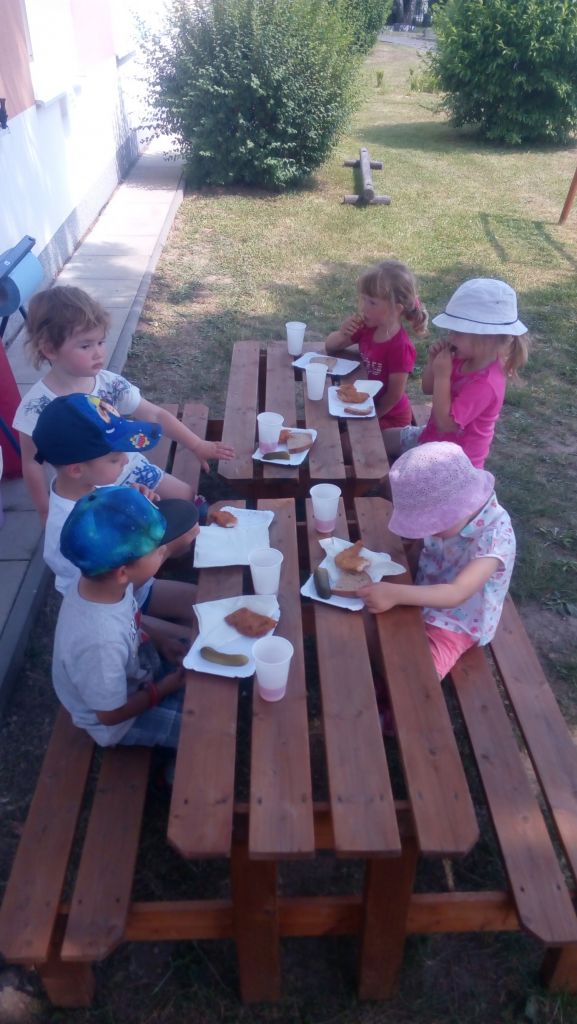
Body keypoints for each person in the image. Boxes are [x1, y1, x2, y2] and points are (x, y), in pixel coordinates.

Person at [12, 285, 235, 522]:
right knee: (132, 530)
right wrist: (45, 510)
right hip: (89, 490)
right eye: (86, 345)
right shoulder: (36, 407)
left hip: (129, 466)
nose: (98, 353)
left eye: (101, 342)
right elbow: (32, 463)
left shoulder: (109, 384)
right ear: (50, 349)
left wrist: (196, 444)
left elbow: (155, 415)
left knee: (187, 498)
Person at [32, 394, 199, 652]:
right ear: (76, 469)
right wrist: (167, 550)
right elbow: (110, 589)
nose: (126, 460)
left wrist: (137, 503)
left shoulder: (91, 486)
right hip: (116, 609)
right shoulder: (68, 529)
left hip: (137, 590)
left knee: (204, 604)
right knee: (196, 640)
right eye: (114, 458)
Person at [52, 486, 199, 750]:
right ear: (122, 572)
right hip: (122, 721)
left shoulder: (101, 585)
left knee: (204, 672)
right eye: (158, 550)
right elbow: (109, 715)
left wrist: (162, 641)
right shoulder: (100, 641)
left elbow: (131, 617)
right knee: (202, 728)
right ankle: (174, 769)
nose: (163, 551)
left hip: (135, 671)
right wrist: (162, 690)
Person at [359, 442, 516, 680]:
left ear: (459, 507)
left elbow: (457, 593)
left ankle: (395, 697)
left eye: (433, 524)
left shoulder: (495, 537)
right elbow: (422, 550)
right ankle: (381, 678)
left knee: (420, 675)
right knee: (374, 633)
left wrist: (396, 594)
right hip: (423, 591)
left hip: (457, 621)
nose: (428, 531)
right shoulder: (456, 519)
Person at [384, 278, 528, 469]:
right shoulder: (464, 356)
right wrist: (433, 362)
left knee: (393, 479)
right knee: (379, 440)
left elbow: (446, 424)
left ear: (487, 338)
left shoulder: (486, 384)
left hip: (453, 463)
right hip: (431, 438)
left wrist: (443, 376)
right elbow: (428, 389)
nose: (450, 336)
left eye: (457, 332)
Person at [324, 259, 428, 430]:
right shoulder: (366, 327)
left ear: (397, 309)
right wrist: (343, 334)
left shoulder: (400, 347)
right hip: (364, 403)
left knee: (346, 438)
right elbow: (331, 346)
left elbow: (393, 396)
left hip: (390, 417)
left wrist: (371, 417)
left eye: (372, 302)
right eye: (363, 299)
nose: (364, 307)